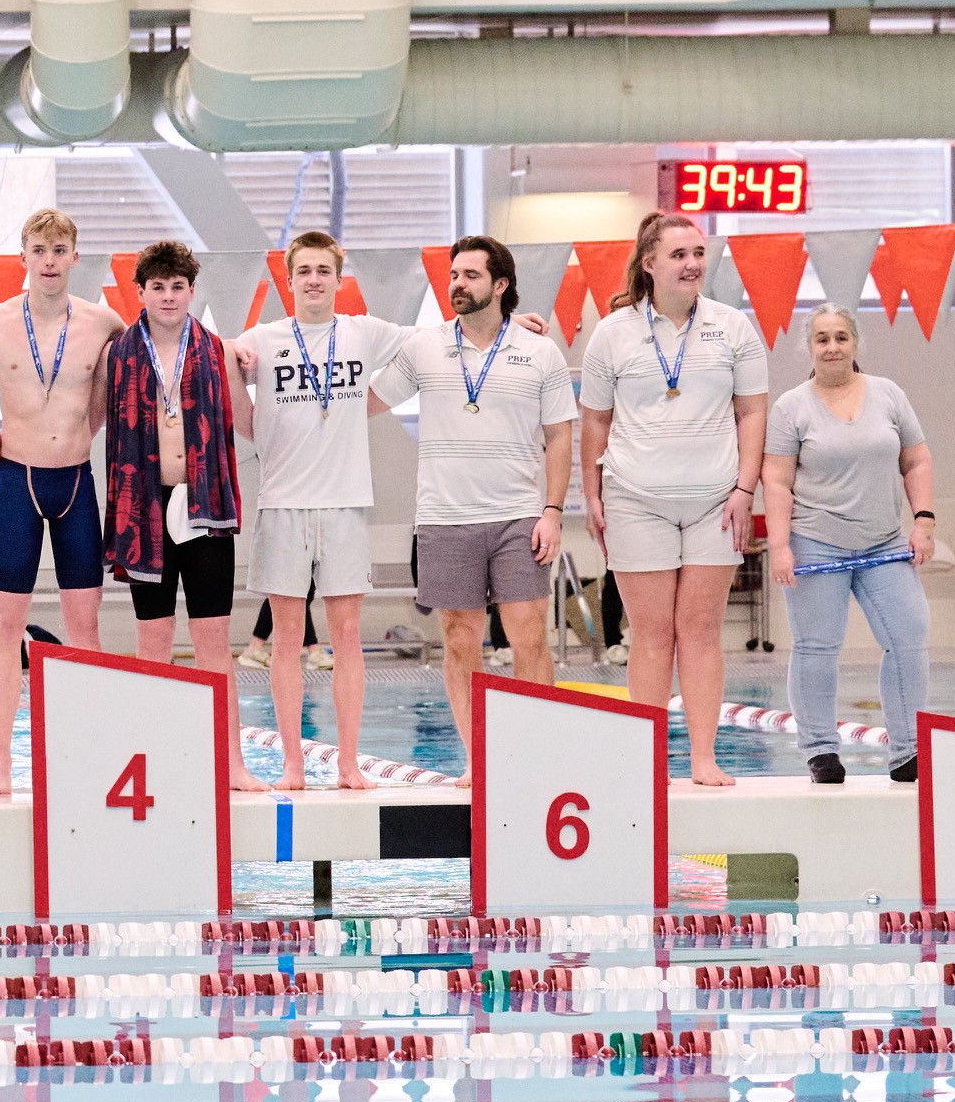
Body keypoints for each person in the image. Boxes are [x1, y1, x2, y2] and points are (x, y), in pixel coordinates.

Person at [0, 211, 128, 799]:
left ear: (74, 256)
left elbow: (145, 369)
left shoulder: (102, 322)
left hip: (75, 487)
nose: (49, 260)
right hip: (17, 483)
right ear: (23, 256)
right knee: (8, 627)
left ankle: (84, 756)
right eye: (39, 249)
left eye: (60, 249)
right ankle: (2, 763)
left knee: (84, 630)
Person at [577, 212, 768, 788]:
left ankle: (703, 757)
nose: (692, 264)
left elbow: (753, 411)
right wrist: (592, 493)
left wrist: (744, 491)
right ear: (649, 264)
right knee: (652, 633)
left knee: (702, 629)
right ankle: (648, 760)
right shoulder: (613, 333)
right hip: (636, 499)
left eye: (698, 253)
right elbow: (595, 420)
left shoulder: (733, 327)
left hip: (715, 500)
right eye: (679, 254)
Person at [226, 232, 407, 789]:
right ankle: (293, 764)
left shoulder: (363, 332)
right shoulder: (261, 339)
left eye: (323, 270)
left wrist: (505, 325)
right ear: (288, 280)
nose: (313, 279)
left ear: (338, 276)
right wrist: (238, 374)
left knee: (345, 634)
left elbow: (434, 344)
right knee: (285, 638)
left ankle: (349, 763)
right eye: (303, 270)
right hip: (282, 503)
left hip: (346, 502)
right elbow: (214, 375)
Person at [404, 236, 577, 765]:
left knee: (528, 635)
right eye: (454, 274)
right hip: (444, 515)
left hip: (518, 515)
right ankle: (478, 760)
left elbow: (560, 437)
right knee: (460, 639)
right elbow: (365, 396)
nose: (457, 283)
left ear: (500, 285)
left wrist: (552, 511)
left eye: (471, 275)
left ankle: (533, 757)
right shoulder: (425, 345)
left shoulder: (539, 350)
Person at [763, 306, 933, 786]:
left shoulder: (889, 394)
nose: (832, 346)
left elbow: (916, 460)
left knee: (909, 637)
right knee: (817, 647)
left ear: (855, 343)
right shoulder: (790, 407)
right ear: (810, 348)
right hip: (816, 540)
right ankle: (820, 750)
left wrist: (923, 521)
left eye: (840, 337)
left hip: (882, 540)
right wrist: (780, 546)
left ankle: (908, 752)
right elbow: (775, 480)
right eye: (822, 339)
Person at [106, 244, 253, 775]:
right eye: (158, 287)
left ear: (192, 291)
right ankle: (157, 763)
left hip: (203, 507)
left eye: (178, 287)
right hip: (144, 508)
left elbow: (251, 418)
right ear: (141, 292)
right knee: (154, 643)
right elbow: (80, 411)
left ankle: (231, 761)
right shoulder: (120, 351)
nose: (169, 297)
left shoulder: (218, 349)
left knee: (214, 641)